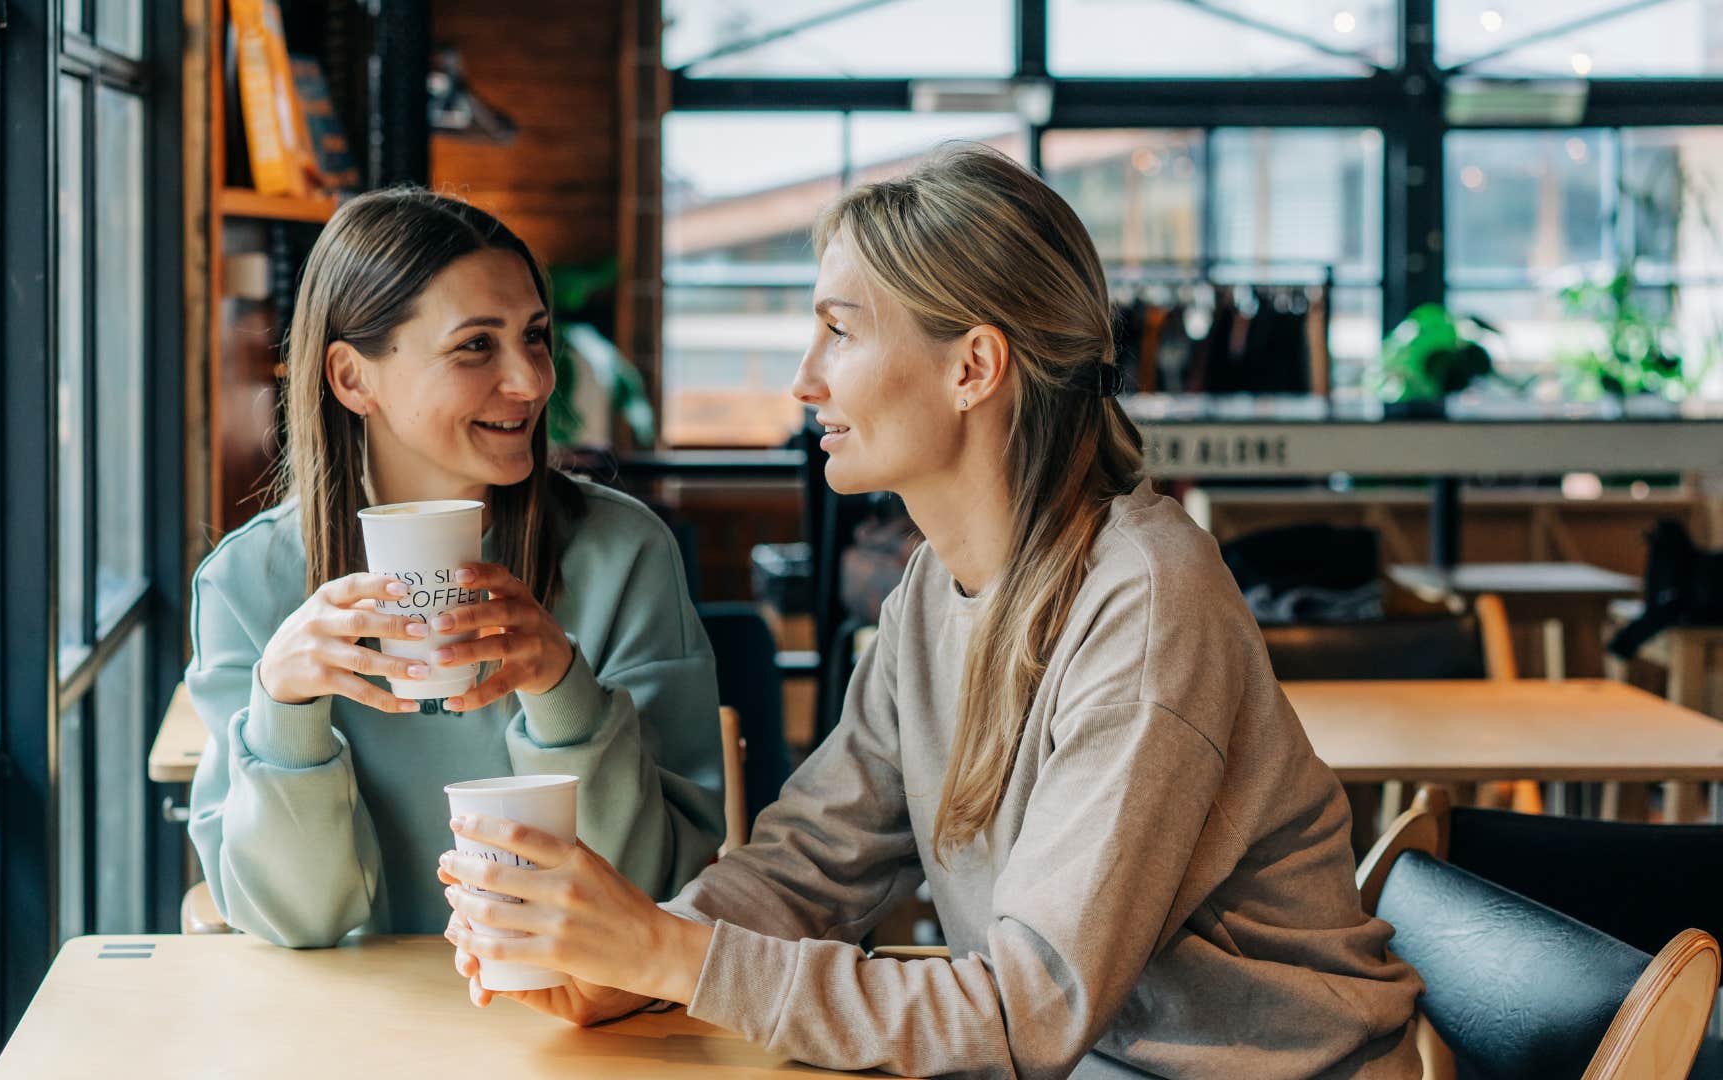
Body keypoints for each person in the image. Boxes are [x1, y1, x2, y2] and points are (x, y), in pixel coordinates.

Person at [436, 147, 1424, 1078]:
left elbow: (1023, 1016)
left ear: (974, 368)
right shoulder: (933, 592)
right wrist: (627, 962)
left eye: (841, 328)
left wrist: (672, 956)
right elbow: (811, 865)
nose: (804, 379)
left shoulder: (1145, 608)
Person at [186, 188, 723, 948]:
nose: (533, 381)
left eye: (535, 337)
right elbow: (295, 925)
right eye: (477, 345)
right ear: (351, 378)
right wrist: (285, 713)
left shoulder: (622, 554)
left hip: (578, 1031)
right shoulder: (248, 585)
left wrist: (562, 690)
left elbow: (654, 891)